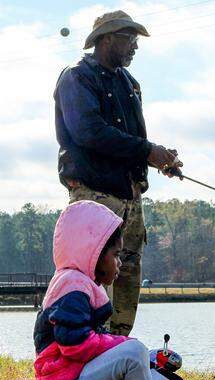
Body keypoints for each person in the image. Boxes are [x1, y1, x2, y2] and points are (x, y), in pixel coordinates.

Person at [54, 10, 183, 336]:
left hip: (130, 193)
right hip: (94, 192)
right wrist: (146, 150)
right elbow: (88, 132)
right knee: (93, 268)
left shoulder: (129, 84)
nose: (135, 46)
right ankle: (86, 347)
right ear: (107, 38)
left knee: (128, 269)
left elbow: (133, 140)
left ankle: (115, 345)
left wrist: (156, 158)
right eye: (129, 38)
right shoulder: (77, 77)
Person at [33, 201, 188, 380]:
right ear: (93, 253)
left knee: (159, 358)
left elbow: (92, 339)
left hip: (78, 372)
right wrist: (121, 343)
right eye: (116, 255)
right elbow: (75, 346)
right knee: (135, 352)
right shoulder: (72, 285)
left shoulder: (81, 283)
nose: (119, 263)